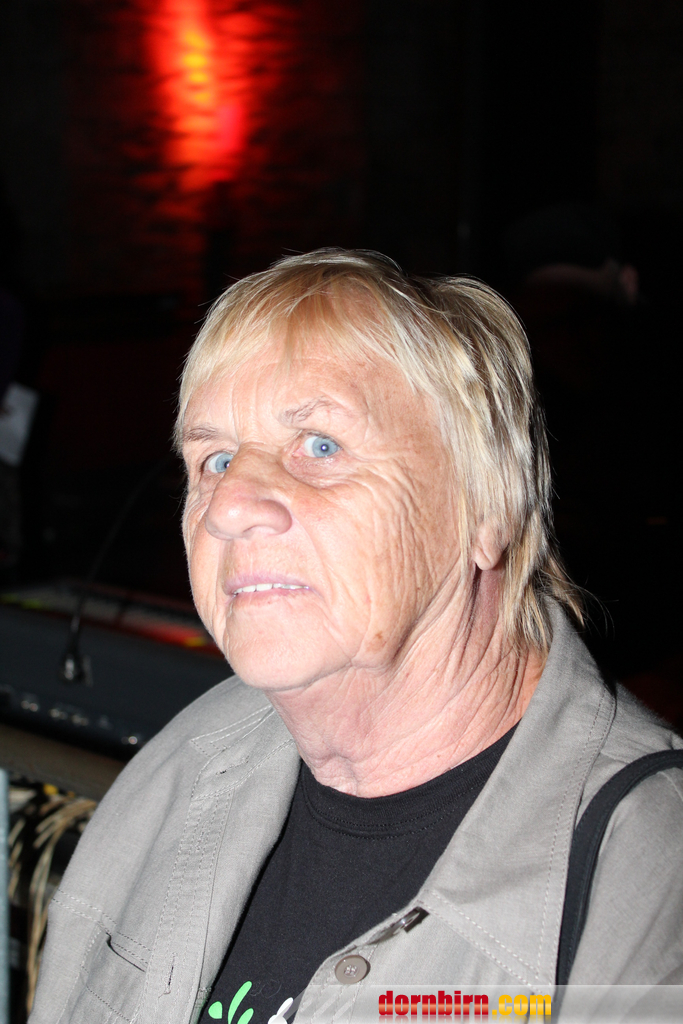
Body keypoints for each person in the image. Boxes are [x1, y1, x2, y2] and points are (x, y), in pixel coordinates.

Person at [30, 250, 683, 1024]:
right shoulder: (179, 764)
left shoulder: (647, 876)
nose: (227, 504)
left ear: (488, 508)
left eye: (320, 446)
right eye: (215, 458)